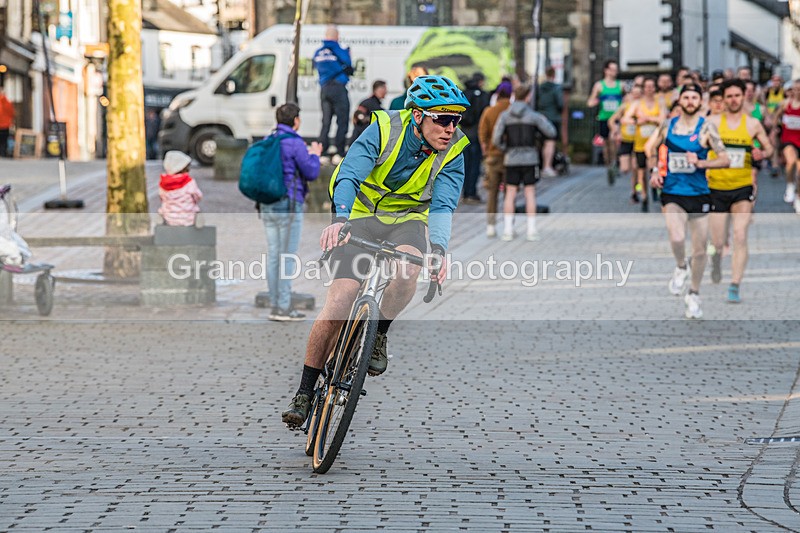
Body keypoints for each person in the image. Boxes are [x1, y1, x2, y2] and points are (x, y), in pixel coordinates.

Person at [281, 75, 470, 428]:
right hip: (360, 215)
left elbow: (443, 206)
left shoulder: (454, 150)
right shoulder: (383, 128)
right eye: (442, 119)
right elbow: (349, 175)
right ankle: (305, 391)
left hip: (407, 221)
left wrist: (439, 251)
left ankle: (378, 333)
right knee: (340, 300)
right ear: (418, 116)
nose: (449, 128)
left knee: (407, 270)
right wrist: (339, 220)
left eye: (455, 120)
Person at [644, 84, 730, 319]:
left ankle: (694, 293)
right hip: (672, 191)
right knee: (677, 236)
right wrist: (654, 170)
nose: (690, 101)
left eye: (694, 97)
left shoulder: (706, 128)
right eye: (686, 97)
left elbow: (724, 159)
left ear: (700, 102)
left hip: (699, 193)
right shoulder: (668, 125)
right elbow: (649, 147)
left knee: (700, 250)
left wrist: (702, 163)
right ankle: (681, 266)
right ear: (679, 101)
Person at [705, 79, 773, 304]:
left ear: (744, 97)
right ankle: (715, 259)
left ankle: (734, 284)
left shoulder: (752, 124)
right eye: (729, 96)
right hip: (716, 186)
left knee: (740, 235)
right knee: (717, 240)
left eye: (737, 95)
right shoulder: (712, 122)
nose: (733, 100)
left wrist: (762, 154)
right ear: (722, 99)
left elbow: (769, 148)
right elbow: (698, 144)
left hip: (742, 186)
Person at [260, 103, 322, 322]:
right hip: (289, 205)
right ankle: (283, 308)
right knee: (286, 255)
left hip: (268, 204)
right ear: (296, 120)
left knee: (274, 254)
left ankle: (275, 303)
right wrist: (315, 155)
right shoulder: (295, 143)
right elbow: (311, 172)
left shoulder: (269, 140)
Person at [492, 84, 557, 242]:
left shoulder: (505, 116)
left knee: (510, 193)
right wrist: (544, 121)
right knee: (530, 193)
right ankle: (531, 230)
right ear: (528, 97)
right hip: (530, 158)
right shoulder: (534, 116)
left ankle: (507, 229)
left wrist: (505, 149)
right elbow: (551, 132)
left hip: (511, 158)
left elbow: (495, 138)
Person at [624, 76, 666, 211]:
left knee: (656, 168)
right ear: (643, 89)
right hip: (640, 143)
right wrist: (637, 121)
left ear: (655, 88)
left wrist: (647, 118)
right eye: (647, 87)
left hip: (656, 143)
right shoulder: (637, 104)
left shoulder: (660, 103)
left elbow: (663, 120)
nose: (649, 89)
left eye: (652, 86)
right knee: (641, 172)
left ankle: (658, 192)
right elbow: (625, 119)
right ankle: (644, 196)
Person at [313, 25, 352, 163]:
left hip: (324, 89)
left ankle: (322, 152)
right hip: (338, 88)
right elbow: (348, 63)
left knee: (325, 122)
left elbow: (316, 67)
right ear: (336, 36)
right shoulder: (338, 50)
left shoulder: (318, 52)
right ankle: (339, 152)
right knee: (342, 121)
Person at [478, 80, 513, 237]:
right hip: (510, 157)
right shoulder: (512, 111)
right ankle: (508, 226)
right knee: (509, 193)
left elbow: (482, 133)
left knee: (492, 193)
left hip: (492, 157)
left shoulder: (489, 111)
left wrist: (486, 151)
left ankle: (491, 226)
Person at [587, 60, 624, 182]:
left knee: (614, 140)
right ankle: (609, 165)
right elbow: (590, 102)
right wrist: (596, 101)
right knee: (607, 143)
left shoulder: (621, 85)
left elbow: (627, 100)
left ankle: (614, 163)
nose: (615, 72)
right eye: (612, 69)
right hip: (603, 117)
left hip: (616, 119)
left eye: (616, 69)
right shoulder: (599, 85)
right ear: (606, 70)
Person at [460, 72, 491, 204]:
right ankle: (471, 193)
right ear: (481, 81)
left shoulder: (463, 93)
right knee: (474, 165)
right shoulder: (483, 96)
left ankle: (465, 192)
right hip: (476, 133)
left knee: (464, 165)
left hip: (464, 134)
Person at [609, 82, 642, 203]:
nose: (636, 96)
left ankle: (635, 191)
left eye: (639, 94)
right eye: (634, 94)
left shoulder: (644, 107)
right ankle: (616, 165)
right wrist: (616, 131)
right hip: (626, 139)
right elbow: (612, 120)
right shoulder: (625, 106)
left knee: (635, 167)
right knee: (625, 169)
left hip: (639, 140)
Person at [158, 151, 203, 226]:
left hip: (169, 218)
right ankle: (197, 219)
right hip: (188, 217)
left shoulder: (163, 184)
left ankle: (161, 218)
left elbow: (161, 197)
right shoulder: (189, 182)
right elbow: (198, 196)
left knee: (163, 207)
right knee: (196, 209)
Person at [774, 79, 800, 209]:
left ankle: (798, 197)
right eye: (794, 89)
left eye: (799, 90)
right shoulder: (785, 104)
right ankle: (790, 185)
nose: (796, 92)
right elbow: (775, 116)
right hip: (788, 139)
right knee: (791, 162)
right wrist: (775, 130)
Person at [537, 66, 564, 178]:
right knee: (550, 143)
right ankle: (547, 166)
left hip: (540, 117)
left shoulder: (539, 87)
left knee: (541, 143)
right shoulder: (556, 88)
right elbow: (560, 104)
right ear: (554, 75)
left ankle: (542, 165)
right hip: (553, 118)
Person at [0, 87, 15, 158]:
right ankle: (3, 153)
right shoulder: (8, 103)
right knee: (4, 140)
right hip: (6, 125)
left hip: (2, 124)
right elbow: (12, 113)